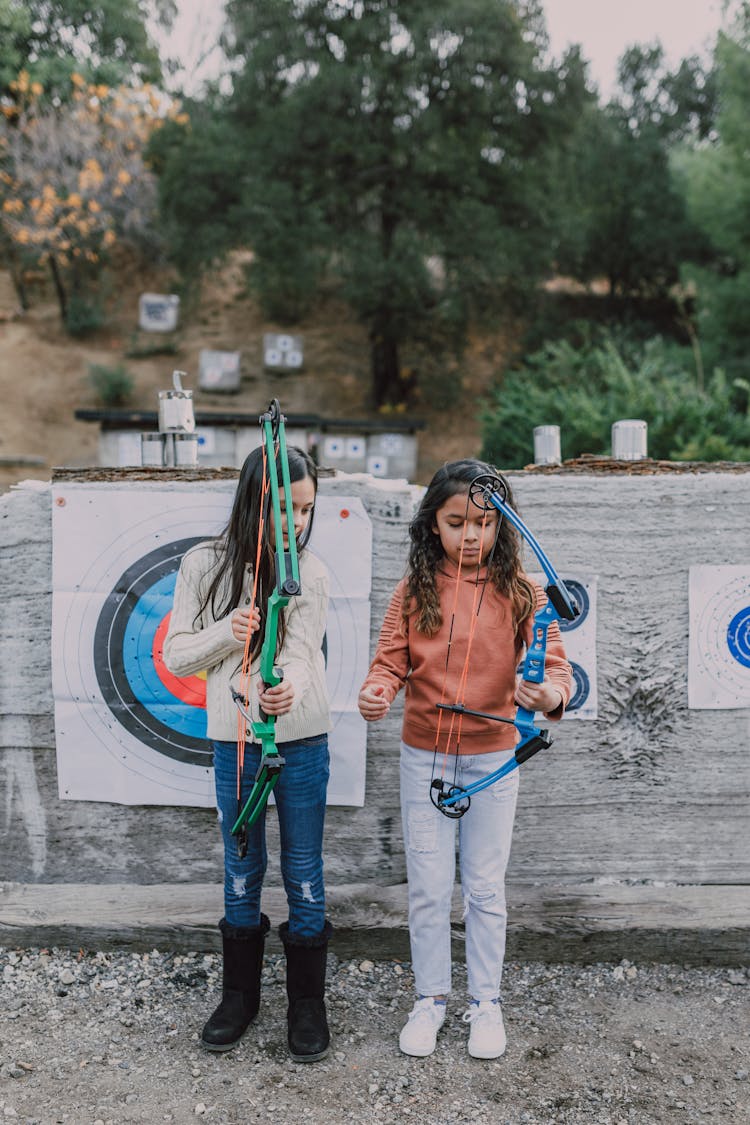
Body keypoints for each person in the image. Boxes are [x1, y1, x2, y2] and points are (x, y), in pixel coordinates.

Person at [358, 459, 572, 1060]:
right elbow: (389, 662)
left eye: (484, 523)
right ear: (433, 525)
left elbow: (557, 670)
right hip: (424, 757)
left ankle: (486, 1002)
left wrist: (549, 696)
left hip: (495, 760)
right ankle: (430, 1000)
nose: (472, 535)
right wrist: (377, 692)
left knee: (483, 888)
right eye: (457, 523)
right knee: (428, 888)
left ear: (504, 526)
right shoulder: (413, 590)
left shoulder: (525, 592)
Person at [163, 445, 332, 1063]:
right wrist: (226, 632)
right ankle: (240, 997)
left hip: (301, 739)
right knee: (241, 867)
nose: (295, 523)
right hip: (233, 742)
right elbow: (177, 654)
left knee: (304, 872)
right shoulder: (202, 564)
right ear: (254, 499)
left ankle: (307, 1005)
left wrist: (284, 687)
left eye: (306, 510)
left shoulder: (307, 570)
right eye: (284, 509)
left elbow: (304, 653)